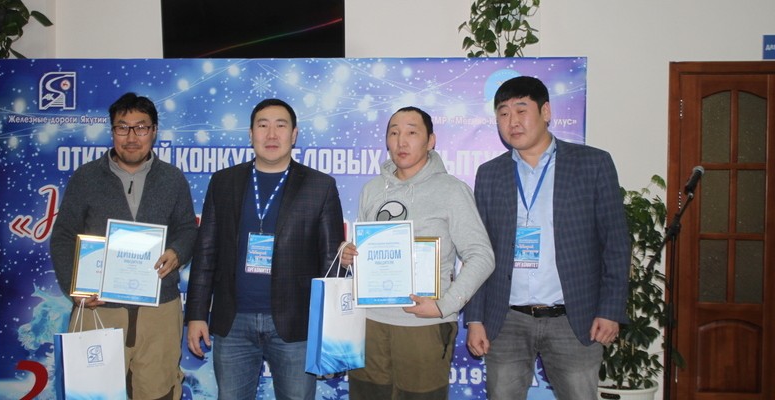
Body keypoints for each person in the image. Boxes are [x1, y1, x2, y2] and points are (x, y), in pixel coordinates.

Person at [464, 76, 631, 399]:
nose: (512, 121)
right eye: (503, 113)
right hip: (506, 319)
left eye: (521, 110)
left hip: (573, 318)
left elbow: (616, 244)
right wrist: (475, 319)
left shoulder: (593, 164)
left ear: (546, 112)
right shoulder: (490, 173)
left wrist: (610, 310)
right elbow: (478, 251)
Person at [184, 98, 346, 400]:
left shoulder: (319, 186)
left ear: (294, 134)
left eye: (280, 126)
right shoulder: (223, 182)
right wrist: (196, 315)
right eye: (263, 126)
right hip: (233, 323)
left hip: (296, 326)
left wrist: (330, 330)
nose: (271, 134)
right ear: (250, 134)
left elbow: (330, 263)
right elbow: (206, 252)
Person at [50, 92, 198, 399]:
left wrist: (177, 252)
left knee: (158, 391)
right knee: (93, 392)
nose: (131, 137)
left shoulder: (173, 179)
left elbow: (187, 228)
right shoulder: (86, 177)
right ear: (112, 131)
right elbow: (63, 235)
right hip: (99, 308)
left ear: (154, 131)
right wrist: (73, 288)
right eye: (122, 127)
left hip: (159, 309)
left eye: (141, 127)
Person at [340, 106, 495, 399]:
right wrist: (349, 255)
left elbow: (481, 255)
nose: (401, 141)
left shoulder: (452, 190)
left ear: (430, 141)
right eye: (394, 133)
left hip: (423, 325)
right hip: (370, 323)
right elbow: (363, 253)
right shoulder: (372, 189)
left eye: (412, 132)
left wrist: (444, 305)